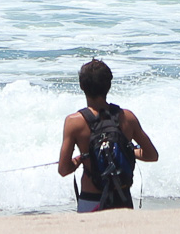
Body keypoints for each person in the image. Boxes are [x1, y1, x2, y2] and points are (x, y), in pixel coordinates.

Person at [58, 59, 158, 212]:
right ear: (109, 85)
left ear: (82, 86)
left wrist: (80, 159)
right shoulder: (127, 117)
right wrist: (127, 151)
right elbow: (152, 155)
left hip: (91, 198)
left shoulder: (74, 122)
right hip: (122, 197)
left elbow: (64, 169)